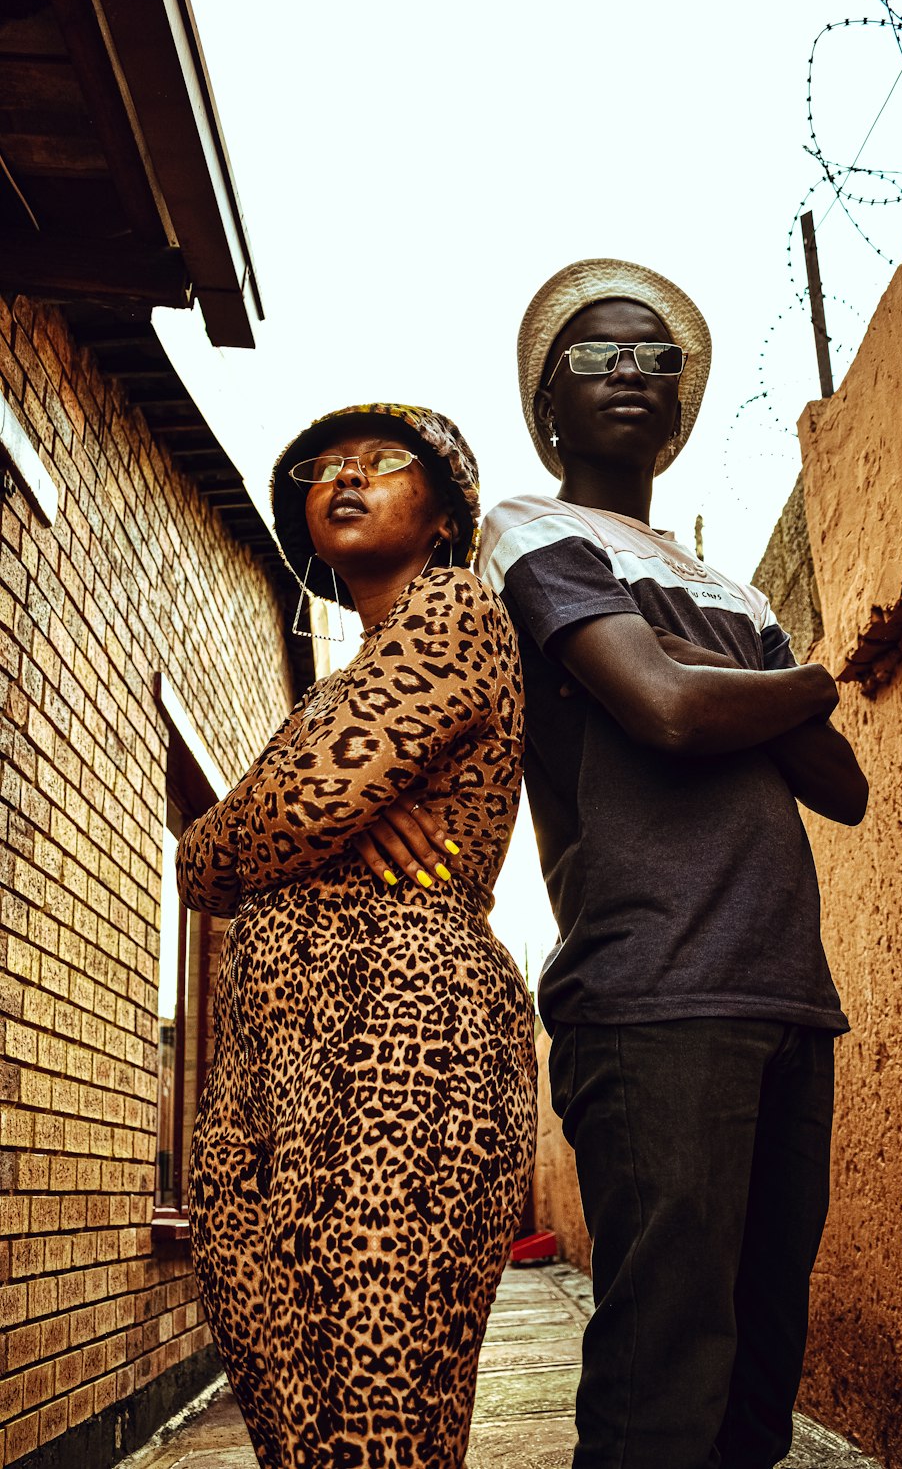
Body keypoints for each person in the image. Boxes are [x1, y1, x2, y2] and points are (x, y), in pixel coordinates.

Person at [472, 260, 870, 1469]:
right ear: (548, 404)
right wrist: (796, 683)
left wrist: (735, 689)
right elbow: (666, 712)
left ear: (684, 405)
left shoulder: (729, 586)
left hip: (785, 995)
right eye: (594, 356)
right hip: (653, 993)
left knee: (758, 1378)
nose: (629, 373)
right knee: (666, 1375)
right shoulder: (528, 534)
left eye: (653, 357)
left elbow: (839, 787)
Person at [175, 402, 536, 1469]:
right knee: (285, 1399)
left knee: (379, 1401)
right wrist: (285, 820)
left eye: (384, 463)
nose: (345, 477)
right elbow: (198, 864)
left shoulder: (457, 610)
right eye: (325, 467)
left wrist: (287, 820)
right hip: (270, 1058)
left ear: (442, 513)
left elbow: (292, 813)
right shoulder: (333, 689)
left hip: (404, 1030)